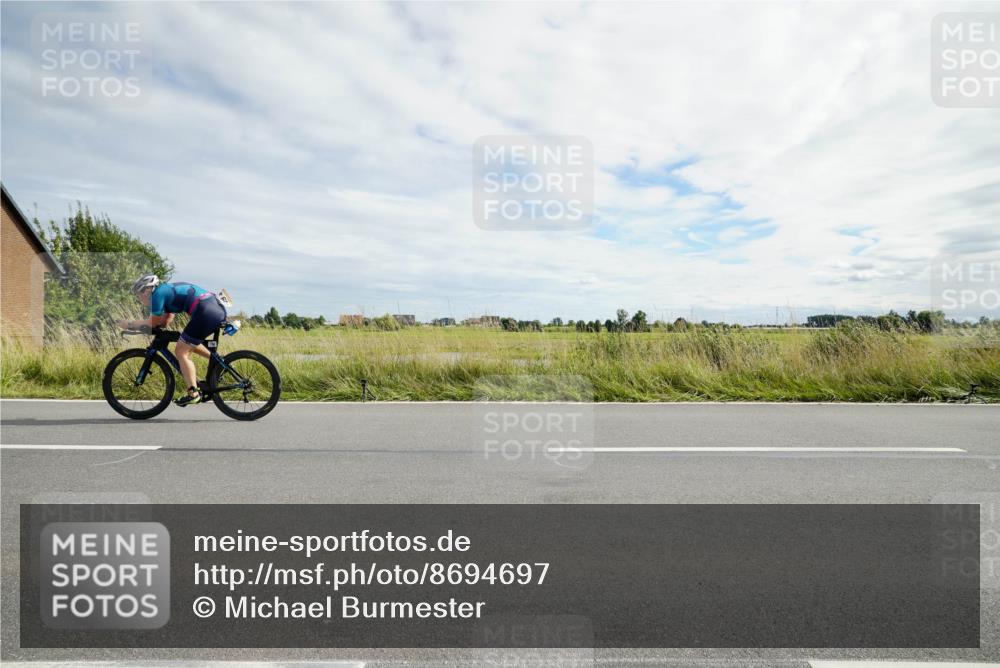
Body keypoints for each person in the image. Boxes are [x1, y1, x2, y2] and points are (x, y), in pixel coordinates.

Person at [118, 274, 227, 406]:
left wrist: (129, 324)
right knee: (186, 341)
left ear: (146, 290)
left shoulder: (158, 294)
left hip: (205, 310)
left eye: (138, 294)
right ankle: (220, 362)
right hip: (212, 307)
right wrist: (153, 327)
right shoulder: (165, 290)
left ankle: (193, 393)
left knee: (181, 351)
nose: (138, 298)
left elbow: (153, 322)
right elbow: (166, 320)